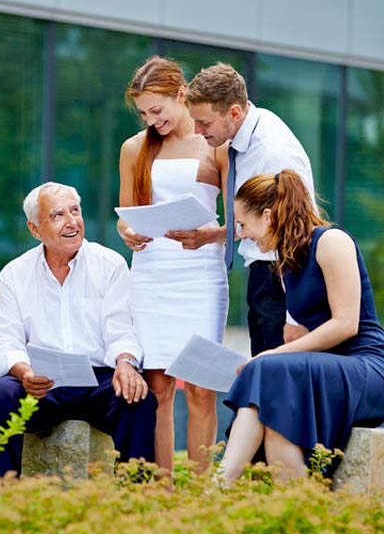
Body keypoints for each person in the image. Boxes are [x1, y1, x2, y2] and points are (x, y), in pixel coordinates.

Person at [218, 170, 384, 484]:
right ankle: (296, 510)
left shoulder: (332, 241)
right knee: (276, 407)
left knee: (268, 369)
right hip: (329, 367)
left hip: (366, 366)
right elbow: (310, 332)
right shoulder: (287, 260)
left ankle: (220, 485)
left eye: (242, 224)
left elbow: (346, 325)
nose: (242, 233)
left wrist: (273, 355)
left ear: (267, 216)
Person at [0, 181, 157, 476]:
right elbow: (4, 339)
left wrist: (126, 363)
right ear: (35, 229)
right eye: (58, 215)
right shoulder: (14, 274)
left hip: (98, 381)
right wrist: (24, 373)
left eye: (75, 211)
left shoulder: (110, 264)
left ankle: (134, 501)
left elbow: (121, 328)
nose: (72, 222)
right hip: (40, 382)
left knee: (138, 399)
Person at [118, 55, 228, 474]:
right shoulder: (135, 148)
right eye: (144, 112)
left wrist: (208, 235)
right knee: (158, 388)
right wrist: (127, 230)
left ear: (182, 96)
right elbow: (126, 213)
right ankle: (161, 492)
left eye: (158, 110)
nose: (152, 119)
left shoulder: (213, 145)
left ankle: (200, 493)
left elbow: (236, 221)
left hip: (200, 272)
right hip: (151, 272)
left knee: (201, 388)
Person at [186, 62, 315, 356]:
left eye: (204, 123)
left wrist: (292, 317)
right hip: (263, 276)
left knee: (274, 386)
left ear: (234, 112)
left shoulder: (272, 152)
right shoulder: (250, 129)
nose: (196, 131)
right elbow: (261, 221)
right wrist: (212, 236)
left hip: (281, 283)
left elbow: (298, 233)